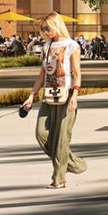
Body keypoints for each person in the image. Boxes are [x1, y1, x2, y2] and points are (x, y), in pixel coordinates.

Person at [20, 12, 86, 189]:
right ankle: (73, 163)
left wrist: (75, 96)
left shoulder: (72, 45)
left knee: (62, 139)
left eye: (47, 28)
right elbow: (42, 74)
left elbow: (77, 73)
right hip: (48, 97)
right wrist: (31, 95)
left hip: (66, 96)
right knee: (41, 134)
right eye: (42, 29)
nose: (45, 31)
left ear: (57, 25)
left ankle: (59, 179)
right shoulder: (46, 47)